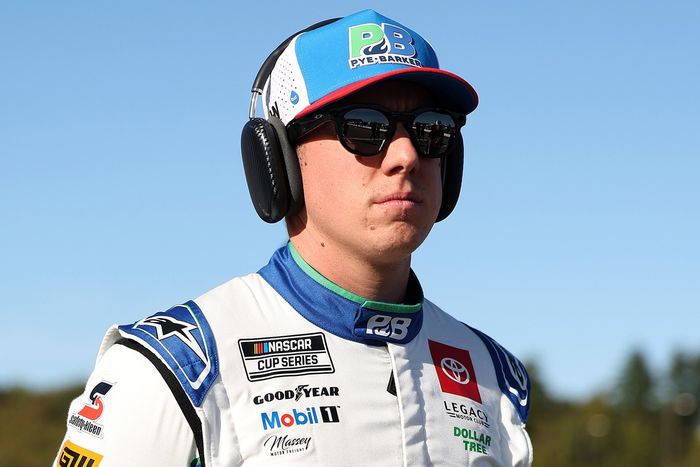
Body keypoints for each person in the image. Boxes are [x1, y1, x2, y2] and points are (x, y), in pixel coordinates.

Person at [54, 9, 532, 467]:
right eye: (365, 127)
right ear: (278, 161)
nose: (406, 155)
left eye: (432, 130)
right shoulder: (171, 369)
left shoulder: (496, 377)